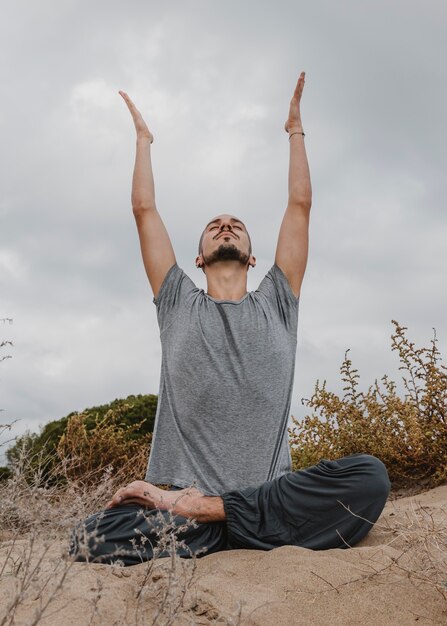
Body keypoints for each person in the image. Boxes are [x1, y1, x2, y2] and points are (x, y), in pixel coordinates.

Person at [69, 72, 391, 565]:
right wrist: (143, 141)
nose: (225, 226)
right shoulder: (177, 302)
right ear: (198, 258)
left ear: (252, 256)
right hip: (184, 506)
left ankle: (219, 517)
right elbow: (144, 209)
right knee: (90, 536)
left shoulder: (278, 302)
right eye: (215, 226)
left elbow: (300, 205)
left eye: (236, 225)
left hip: (262, 498)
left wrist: (295, 131)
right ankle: (219, 520)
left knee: (370, 476)